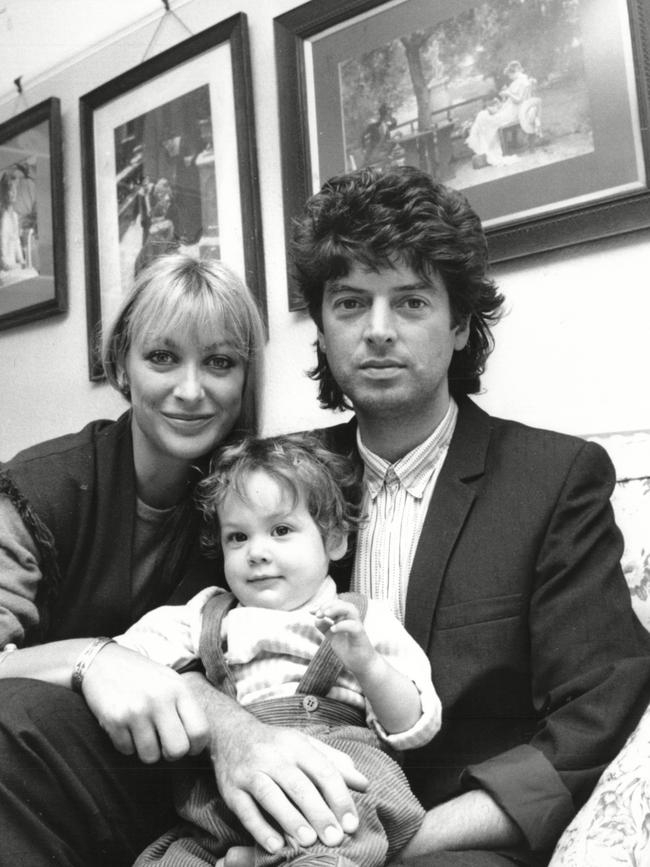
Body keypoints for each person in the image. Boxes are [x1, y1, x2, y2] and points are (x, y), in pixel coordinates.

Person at [282, 164, 650, 866]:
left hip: (456, 838)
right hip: (288, 825)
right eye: (351, 303)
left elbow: (599, 706)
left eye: (411, 302)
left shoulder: (554, 479)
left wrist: (407, 840)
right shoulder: (280, 481)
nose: (379, 331)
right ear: (324, 328)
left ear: (457, 325)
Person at [0, 253, 270, 865]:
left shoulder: (257, 498)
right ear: (120, 363)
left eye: (221, 362)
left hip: (189, 792)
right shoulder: (41, 489)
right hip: (53, 780)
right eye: (163, 357)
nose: (191, 389)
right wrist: (93, 660)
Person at [116, 433, 441, 867]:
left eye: (281, 530)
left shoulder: (360, 618)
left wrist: (367, 664)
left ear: (335, 540)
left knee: (336, 831)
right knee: (173, 856)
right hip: (227, 791)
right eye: (237, 537)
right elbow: (125, 654)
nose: (256, 552)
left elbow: (414, 725)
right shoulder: (208, 613)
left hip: (333, 783)